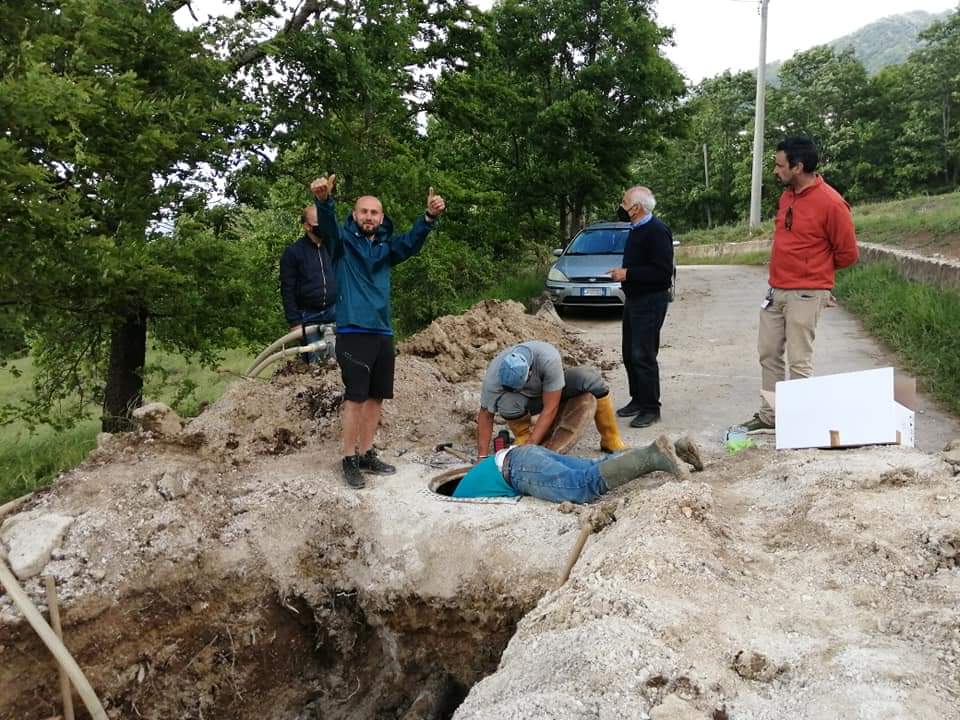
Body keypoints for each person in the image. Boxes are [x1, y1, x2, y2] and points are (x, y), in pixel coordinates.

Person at [310, 174, 446, 488]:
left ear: (381, 217)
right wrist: (324, 201)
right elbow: (328, 227)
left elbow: (411, 242)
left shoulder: (386, 247)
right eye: (363, 212)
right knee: (355, 399)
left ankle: (367, 452)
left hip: (382, 332)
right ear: (354, 215)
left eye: (374, 213)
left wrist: (429, 217)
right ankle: (348, 458)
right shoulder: (341, 244)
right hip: (353, 330)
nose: (369, 217)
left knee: (376, 398)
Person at [740, 136, 858, 432]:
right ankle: (771, 416)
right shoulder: (787, 196)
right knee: (768, 354)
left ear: (798, 166)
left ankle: (799, 425)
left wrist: (817, 281)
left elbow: (847, 253)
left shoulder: (831, 203)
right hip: (776, 290)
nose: (775, 170)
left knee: (799, 361)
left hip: (806, 293)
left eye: (780, 165)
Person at [476, 341, 627, 459]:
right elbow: (485, 415)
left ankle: (610, 438)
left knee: (589, 378)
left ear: (529, 373)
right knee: (506, 403)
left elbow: (550, 407)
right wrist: (482, 456)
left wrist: (533, 443)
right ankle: (523, 435)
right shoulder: (493, 376)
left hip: (550, 393)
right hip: (525, 403)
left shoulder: (548, 358)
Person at [454, 435, 702, 503]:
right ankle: (677, 448)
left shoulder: (455, 507)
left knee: (581, 486)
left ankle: (655, 456)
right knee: (595, 466)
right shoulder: (464, 489)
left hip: (516, 470)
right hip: (520, 455)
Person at [608, 186, 674, 428]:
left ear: (636, 208)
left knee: (643, 354)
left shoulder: (657, 231)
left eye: (624, 202)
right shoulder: (637, 229)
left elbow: (662, 272)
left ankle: (650, 408)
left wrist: (628, 273)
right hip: (635, 300)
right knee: (629, 353)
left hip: (651, 301)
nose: (621, 206)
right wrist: (626, 275)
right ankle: (637, 399)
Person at [279, 204, 337, 362]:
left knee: (340, 359)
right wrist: (295, 322)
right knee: (315, 362)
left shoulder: (333, 248)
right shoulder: (293, 253)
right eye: (318, 223)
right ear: (307, 226)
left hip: (334, 311)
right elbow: (287, 290)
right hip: (309, 315)